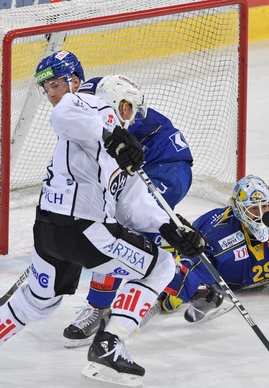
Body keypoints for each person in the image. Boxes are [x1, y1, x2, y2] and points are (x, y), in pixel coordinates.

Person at [0, 51, 205, 386]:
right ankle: (110, 344)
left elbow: (131, 207)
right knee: (161, 267)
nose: (132, 119)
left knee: (37, 300)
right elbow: (65, 112)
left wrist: (171, 227)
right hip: (84, 231)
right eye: (130, 111)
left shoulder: (115, 145)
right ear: (121, 105)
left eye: (54, 84)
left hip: (48, 233)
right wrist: (111, 135)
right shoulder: (90, 107)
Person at [61, 75, 194, 348]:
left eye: (55, 86)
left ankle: (100, 308)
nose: (52, 94)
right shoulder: (76, 103)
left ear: (74, 81)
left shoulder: (104, 95)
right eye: (47, 88)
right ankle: (191, 284)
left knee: (118, 229)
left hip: (166, 166)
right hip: (141, 164)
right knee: (114, 225)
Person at [156, 175, 269, 323]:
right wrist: (178, 287)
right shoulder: (219, 238)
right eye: (253, 209)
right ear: (238, 209)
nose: (260, 215)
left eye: (265, 207)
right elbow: (192, 260)